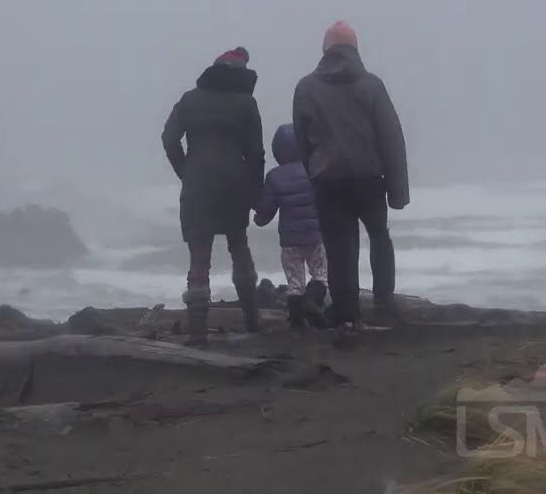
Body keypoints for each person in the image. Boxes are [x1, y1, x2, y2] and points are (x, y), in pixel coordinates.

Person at [292, 21, 408, 343]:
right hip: (369, 179)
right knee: (379, 237)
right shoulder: (372, 86)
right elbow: (391, 138)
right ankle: (384, 302)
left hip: (328, 180)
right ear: (355, 49)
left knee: (340, 250)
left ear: (325, 49)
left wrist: (312, 171)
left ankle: (346, 315)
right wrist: (398, 191)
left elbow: (302, 139)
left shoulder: (306, 87)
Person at [161, 47, 266, 346]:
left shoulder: (190, 99)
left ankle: (197, 333)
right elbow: (256, 154)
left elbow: (169, 138)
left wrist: (186, 171)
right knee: (239, 247)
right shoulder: (246, 103)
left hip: (198, 185)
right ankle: (252, 322)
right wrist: (256, 194)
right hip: (234, 184)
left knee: (199, 257)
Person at [253, 123, 328, 331]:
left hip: (290, 240)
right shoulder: (314, 170)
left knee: (295, 283)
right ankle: (312, 303)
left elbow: (267, 209)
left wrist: (259, 218)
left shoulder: (274, 176)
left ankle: (297, 325)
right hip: (315, 236)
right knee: (320, 274)